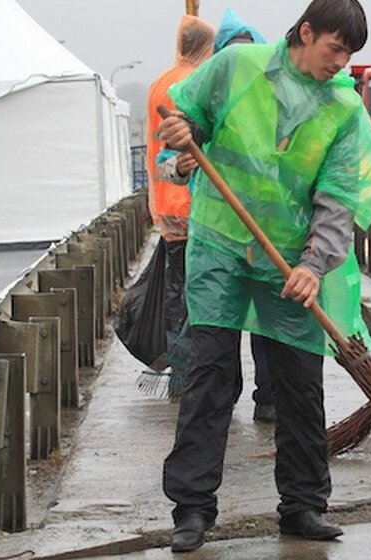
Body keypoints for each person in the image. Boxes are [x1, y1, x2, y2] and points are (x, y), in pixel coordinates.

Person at [157, 0, 371, 551]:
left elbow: (338, 199)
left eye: (350, 54)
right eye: (335, 48)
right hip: (219, 245)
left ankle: (303, 505)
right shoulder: (236, 68)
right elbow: (192, 120)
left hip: (288, 261)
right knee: (210, 374)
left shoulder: (344, 110)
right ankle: (192, 508)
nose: (342, 62)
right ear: (305, 32)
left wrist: (314, 265)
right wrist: (182, 130)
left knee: (298, 383)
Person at [157, 8, 277, 424]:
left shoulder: (274, 103)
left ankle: (270, 398)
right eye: (231, 57)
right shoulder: (200, 101)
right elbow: (165, 163)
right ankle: (218, 401)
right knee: (215, 330)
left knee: (267, 326)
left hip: (265, 236)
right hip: (212, 239)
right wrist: (183, 165)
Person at [145, 16, 215, 358]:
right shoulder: (195, 82)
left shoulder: (160, 82)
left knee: (177, 292)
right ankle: (188, 369)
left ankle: (178, 367)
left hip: (166, 203)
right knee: (198, 296)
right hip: (193, 204)